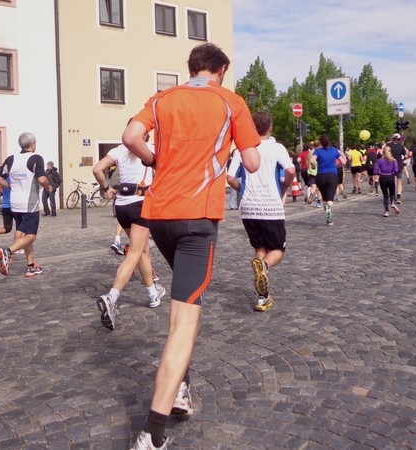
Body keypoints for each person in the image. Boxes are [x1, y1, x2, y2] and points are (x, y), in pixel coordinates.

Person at [122, 43, 260, 450]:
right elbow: (253, 163)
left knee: (185, 304)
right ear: (221, 69)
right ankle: (153, 433)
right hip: (197, 220)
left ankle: (181, 387)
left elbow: (131, 136)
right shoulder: (231, 101)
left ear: (192, 68)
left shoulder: (163, 98)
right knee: (185, 317)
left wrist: (153, 159)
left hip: (159, 217)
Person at [92, 129, 166, 327]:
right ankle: (112, 297)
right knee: (134, 254)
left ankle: (152, 293)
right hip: (141, 204)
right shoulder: (150, 148)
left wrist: (106, 189)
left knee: (142, 250)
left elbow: (97, 169)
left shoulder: (118, 150)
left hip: (122, 206)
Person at [229, 111, 294, 312]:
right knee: (278, 250)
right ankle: (264, 267)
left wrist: (242, 190)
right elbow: (290, 170)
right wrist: (284, 187)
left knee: (260, 248)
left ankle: (262, 298)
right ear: (270, 128)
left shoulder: (242, 150)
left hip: (249, 208)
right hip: (270, 207)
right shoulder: (277, 148)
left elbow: (230, 178)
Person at [0, 132, 49, 277]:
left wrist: (9, 186)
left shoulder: (11, 159)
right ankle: (7, 252)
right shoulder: (36, 158)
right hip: (29, 203)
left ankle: (30, 266)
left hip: (14, 203)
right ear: (32, 144)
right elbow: (42, 179)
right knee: (31, 236)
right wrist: (48, 187)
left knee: (25, 234)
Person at [309, 134, 347, 225]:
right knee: (330, 199)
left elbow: (311, 161)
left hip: (321, 176)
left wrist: (313, 166)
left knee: (324, 198)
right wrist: (336, 166)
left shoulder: (317, 151)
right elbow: (343, 162)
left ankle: (328, 219)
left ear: (321, 142)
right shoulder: (334, 150)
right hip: (332, 175)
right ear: (329, 141)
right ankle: (328, 208)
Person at [374, 146, 400, 216]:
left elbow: (375, 171)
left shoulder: (379, 160)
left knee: (385, 196)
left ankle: (386, 211)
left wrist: (379, 173)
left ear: (383, 152)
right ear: (390, 152)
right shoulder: (394, 160)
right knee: (392, 193)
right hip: (390, 177)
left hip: (382, 177)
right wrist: (394, 174)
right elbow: (396, 170)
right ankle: (392, 203)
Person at [388, 134, 408, 204]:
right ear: (399, 140)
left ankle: (392, 196)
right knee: (399, 181)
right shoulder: (401, 146)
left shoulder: (388, 145)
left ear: (393, 138)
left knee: (391, 181)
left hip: (390, 165)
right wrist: (402, 160)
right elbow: (406, 156)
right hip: (399, 165)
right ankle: (398, 197)